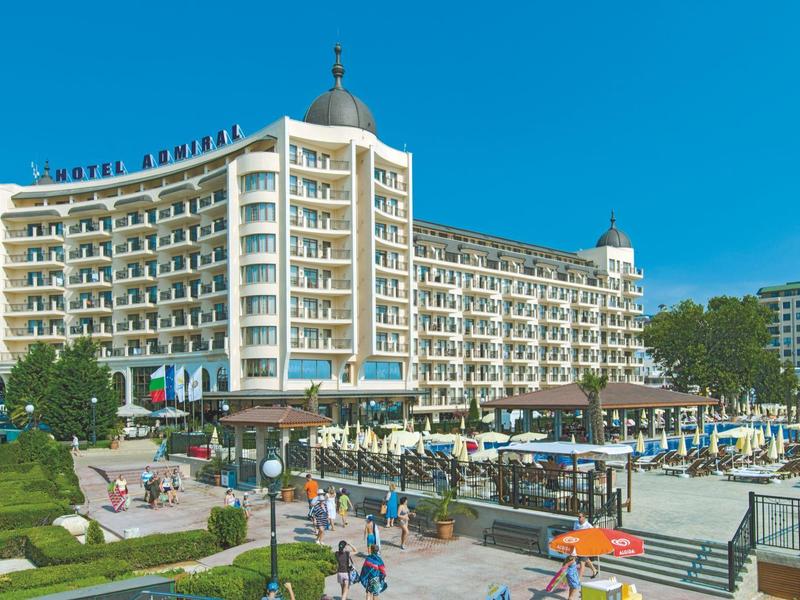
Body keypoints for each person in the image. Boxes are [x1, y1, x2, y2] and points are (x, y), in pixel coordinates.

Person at [572, 512, 598, 578]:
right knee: (585, 559)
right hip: (578, 545)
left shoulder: (588, 525)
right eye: (578, 517)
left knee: (582, 562)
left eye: (580, 517)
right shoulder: (576, 523)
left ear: (584, 517)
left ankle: (579, 579)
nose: (579, 518)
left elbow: (594, 533)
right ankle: (594, 570)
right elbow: (574, 532)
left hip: (585, 545)